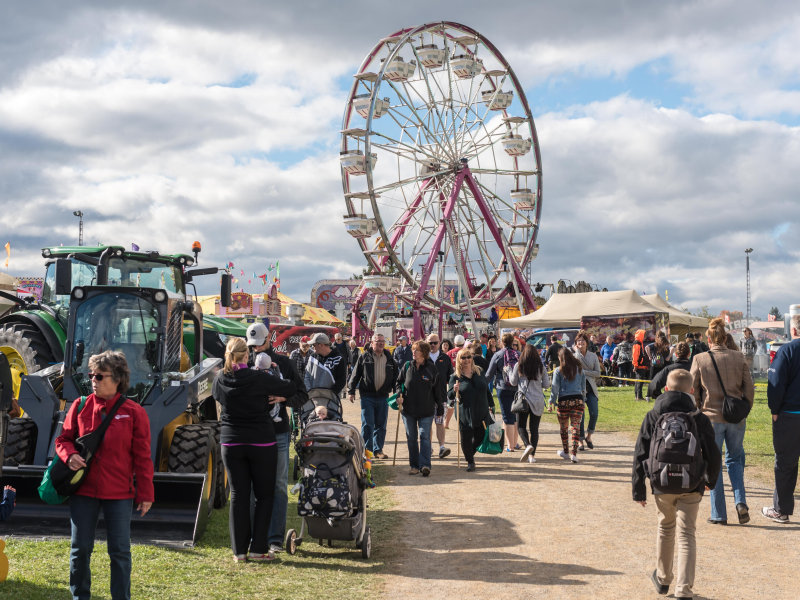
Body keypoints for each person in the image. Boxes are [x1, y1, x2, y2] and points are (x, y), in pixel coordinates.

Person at [55, 350, 154, 599]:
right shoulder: (79, 406)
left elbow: (143, 458)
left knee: (120, 551)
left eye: (99, 376)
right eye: (91, 375)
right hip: (83, 492)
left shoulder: (134, 412)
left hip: (119, 494)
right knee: (80, 549)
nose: (93, 380)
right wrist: (69, 455)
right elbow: (62, 440)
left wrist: (146, 494)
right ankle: (80, 596)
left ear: (117, 378)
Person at [632, 369, 721, 600]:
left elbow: (640, 453)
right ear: (692, 391)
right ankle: (684, 590)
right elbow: (713, 452)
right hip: (691, 483)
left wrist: (638, 489)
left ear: (666, 389)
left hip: (662, 483)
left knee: (665, 528)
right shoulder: (699, 418)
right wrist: (710, 479)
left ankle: (662, 579)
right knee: (687, 534)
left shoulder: (653, 416)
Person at [214, 337, 297, 562]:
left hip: (231, 442)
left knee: (238, 495)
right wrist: (275, 369)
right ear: (246, 356)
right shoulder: (259, 377)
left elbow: (217, 398)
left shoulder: (220, 378)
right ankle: (259, 549)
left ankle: (239, 552)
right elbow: (290, 387)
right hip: (261, 441)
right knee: (264, 496)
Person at [246, 322, 307, 554]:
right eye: (253, 345)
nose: (256, 349)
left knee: (279, 486)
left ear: (269, 339)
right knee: (253, 486)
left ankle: (275, 539)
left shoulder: (283, 362)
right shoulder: (246, 363)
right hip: (252, 433)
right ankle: (254, 537)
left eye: (260, 344)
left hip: (278, 433)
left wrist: (282, 398)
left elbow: (302, 394)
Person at [690, 317, 754, 525]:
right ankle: (740, 501)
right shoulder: (739, 357)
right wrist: (745, 409)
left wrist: (698, 409)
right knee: (735, 459)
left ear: (709, 339)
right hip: (736, 417)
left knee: (712, 463)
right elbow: (749, 389)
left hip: (710, 417)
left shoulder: (700, 359)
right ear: (725, 338)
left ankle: (718, 513)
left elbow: (692, 390)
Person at [763, 311, 800, 523]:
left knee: (785, 464)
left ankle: (781, 509)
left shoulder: (787, 351)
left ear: (792, 330)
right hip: (790, 414)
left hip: (789, 417)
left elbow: (775, 384)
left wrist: (774, 410)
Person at [395, 341, 445, 477]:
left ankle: (425, 465)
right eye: (413, 349)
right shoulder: (407, 366)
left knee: (424, 437)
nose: (413, 352)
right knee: (411, 438)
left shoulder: (431, 368)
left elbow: (437, 390)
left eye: (416, 350)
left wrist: (440, 407)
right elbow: (399, 383)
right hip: (408, 410)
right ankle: (414, 466)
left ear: (424, 353)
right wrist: (399, 395)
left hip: (426, 410)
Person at [347, 333, 397, 459]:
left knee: (381, 424)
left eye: (382, 341)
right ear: (372, 343)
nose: (380, 343)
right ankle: (367, 451)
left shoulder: (389, 358)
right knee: (368, 424)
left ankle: (378, 450)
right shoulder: (364, 357)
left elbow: (396, 378)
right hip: (367, 396)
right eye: (378, 341)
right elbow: (355, 374)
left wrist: (397, 393)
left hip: (383, 396)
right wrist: (351, 390)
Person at [448, 348, 492, 472]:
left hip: (481, 409)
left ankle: (469, 454)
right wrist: (454, 389)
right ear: (458, 360)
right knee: (466, 437)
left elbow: (486, 390)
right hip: (464, 411)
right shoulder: (455, 377)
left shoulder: (479, 371)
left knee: (481, 436)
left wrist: (491, 405)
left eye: (468, 357)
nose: (466, 360)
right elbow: (450, 395)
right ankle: (470, 461)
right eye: (463, 358)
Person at [508, 343, 550, 464]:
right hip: (537, 400)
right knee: (534, 429)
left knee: (521, 426)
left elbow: (513, 382)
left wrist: (509, 371)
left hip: (523, 400)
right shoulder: (541, 367)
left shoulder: (519, 365)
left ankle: (527, 445)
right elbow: (546, 385)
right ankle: (532, 456)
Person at [549, 347, 586, 463]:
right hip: (578, 400)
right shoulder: (580, 369)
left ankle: (566, 451)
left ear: (561, 358)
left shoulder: (558, 370)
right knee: (576, 426)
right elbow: (583, 387)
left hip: (563, 401)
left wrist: (551, 401)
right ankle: (574, 454)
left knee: (564, 428)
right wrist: (583, 400)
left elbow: (555, 388)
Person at [486, 333, 520, 452]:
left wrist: (482, 385)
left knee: (507, 416)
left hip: (503, 387)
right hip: (517, 388)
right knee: (515, 416)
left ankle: (510, 446)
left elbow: (489, 374)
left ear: (502, 342)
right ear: (512, 342)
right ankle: (515, 443)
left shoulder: (498, 355)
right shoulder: (518, 354)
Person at [573, 331, 601, 450]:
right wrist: (576, 352)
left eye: (583, 341)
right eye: (578, 341)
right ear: (576, 343)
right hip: (578, 389)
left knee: (594, 413)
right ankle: (580, 441)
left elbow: (598, 373)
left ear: (587, 343)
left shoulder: (593, 356)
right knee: (581, 416)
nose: (581, 343)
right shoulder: (574, 356)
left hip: (591, 389)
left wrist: (584, 372)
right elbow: (573, 372)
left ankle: (589, 436)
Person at [427, 332, 453, 459]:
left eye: (435, 343)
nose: (432, 345)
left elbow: (451, 378)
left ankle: (442, 447)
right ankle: (428, 447)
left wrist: (453, 390)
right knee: (426, 423)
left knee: (439, 422)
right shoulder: (423, 358)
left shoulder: (445, 358)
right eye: (430, 343)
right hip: (425, 397)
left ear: (439, 343)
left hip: (441, 396)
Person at [647, 332, 672, 401]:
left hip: (655, 364)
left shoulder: (655, 344)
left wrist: (650, 357)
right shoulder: (666, 344)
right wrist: (669, 357)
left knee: (653, 380)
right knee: (661, 380)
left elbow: (647, 347)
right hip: (662, 365)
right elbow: (673, 348)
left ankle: (649, 395)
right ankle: (656, 394)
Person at [632, 329, 651, 401]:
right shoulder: (637, 343)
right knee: (639, 382)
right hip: (639, 365)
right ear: (641, 335)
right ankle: (639, 397)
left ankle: (637, 396)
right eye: (644, 335)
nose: (645, 337)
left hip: (640, 365)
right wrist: (635, 365)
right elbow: (635, 355)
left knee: (638, 381)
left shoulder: (639, 343)